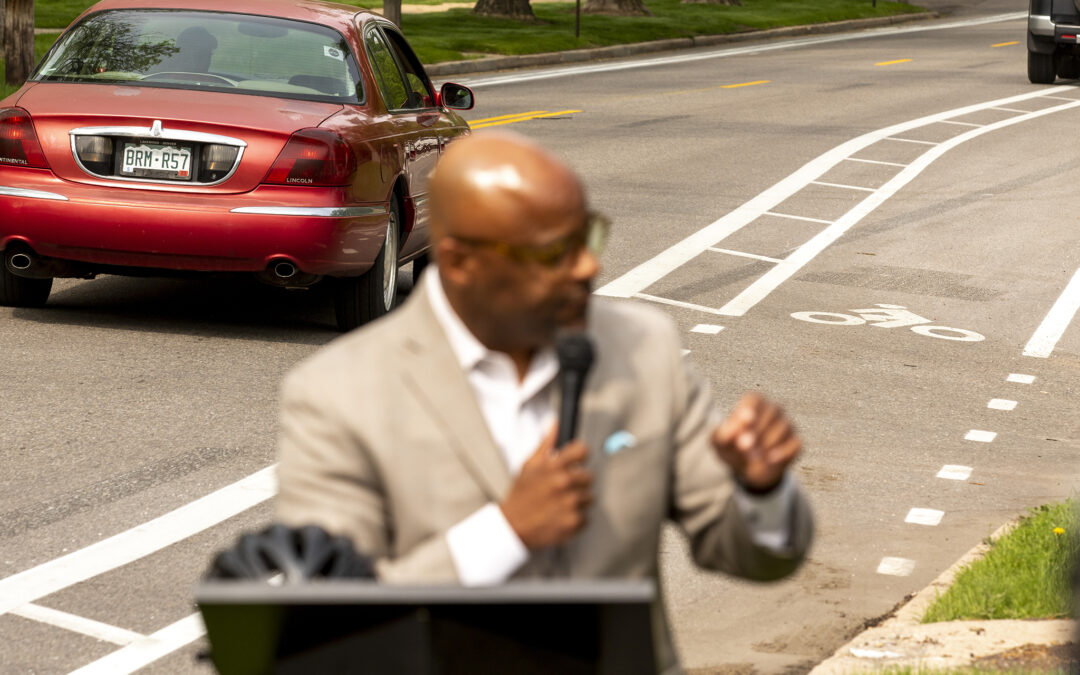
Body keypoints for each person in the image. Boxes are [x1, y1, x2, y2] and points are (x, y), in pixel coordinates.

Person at [275, 131, 813, 673]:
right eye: (554, 252)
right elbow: (332, 621)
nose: (586, 268)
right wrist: (506, 532)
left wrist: (760, 489)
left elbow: (755, 556)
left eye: (587, 238)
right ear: (460, 263)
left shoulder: (644, 349)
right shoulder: (337, 394)